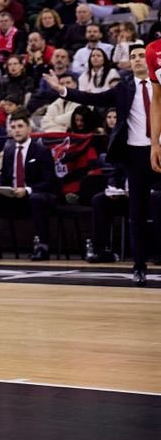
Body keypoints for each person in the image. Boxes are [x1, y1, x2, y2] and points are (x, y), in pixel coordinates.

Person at [42, 41, 161, 285]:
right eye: (134, 56)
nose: (139, 59)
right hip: (136, 155)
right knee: (136, 214)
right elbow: (90, 98)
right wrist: (62, 90)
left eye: (142, 55)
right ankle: (139, 267)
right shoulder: (123, 90)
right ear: (129, 62)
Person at [0, 116, 55, 260]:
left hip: (34, 195)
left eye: (20, 126)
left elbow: (49, 181)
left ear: (29, 129)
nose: (16, 130)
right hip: (13, 196)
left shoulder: (41, 151)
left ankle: (42, 247)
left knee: (36, 199)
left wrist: (27, 190)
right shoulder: (9, 150)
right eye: (13, 127)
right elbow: (6, 178)